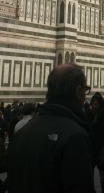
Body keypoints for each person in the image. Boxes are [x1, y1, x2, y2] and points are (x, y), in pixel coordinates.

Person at [8, 63, 95, 193]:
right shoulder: (74, 137)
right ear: (78, 91)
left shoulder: (21, 132)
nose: (85, 96)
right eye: (85, 90)